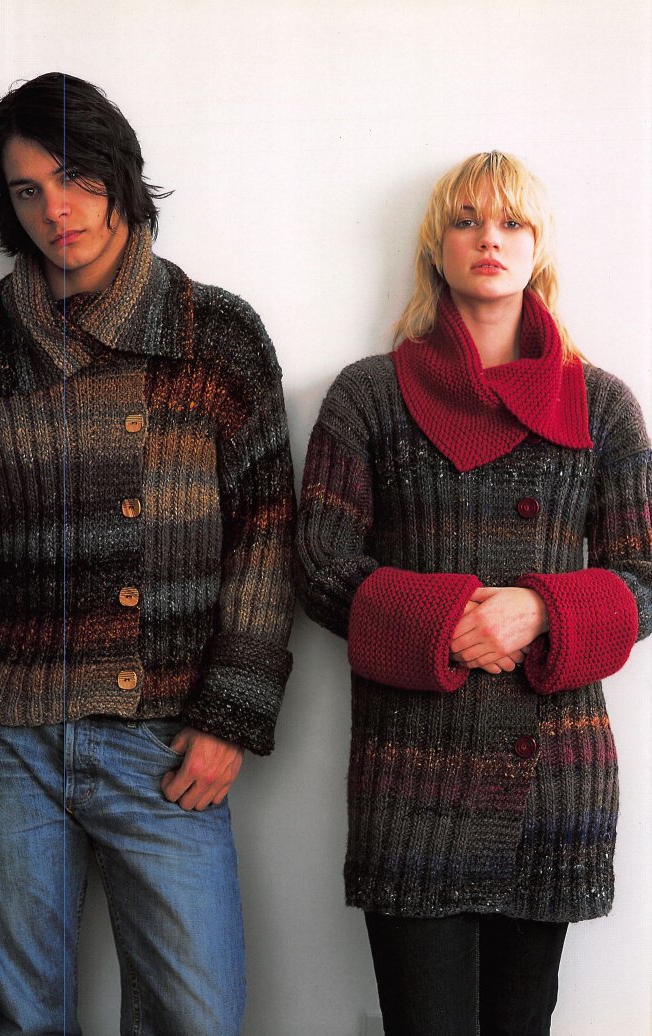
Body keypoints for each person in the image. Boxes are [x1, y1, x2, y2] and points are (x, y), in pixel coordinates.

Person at [0, 72, 295, 1036]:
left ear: (119, 175)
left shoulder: (215, 337)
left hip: (163, 741)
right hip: (6, 737)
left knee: (198, 1017)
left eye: (75, 177)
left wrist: (230, 715)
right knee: (23, 1021)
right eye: (27, 190)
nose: (56, 209)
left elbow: (267, 541)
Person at [296, 151, 651, 1035]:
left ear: (537, 247)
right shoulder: (368, 396)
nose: (489, 238)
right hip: (411, 778)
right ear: (436, 246)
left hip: (553, 783)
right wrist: (446, 622)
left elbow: (646, 576)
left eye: (511, 222)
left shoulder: (603, 406)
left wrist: (543, 609)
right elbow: (319, 563)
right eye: (466, 220)